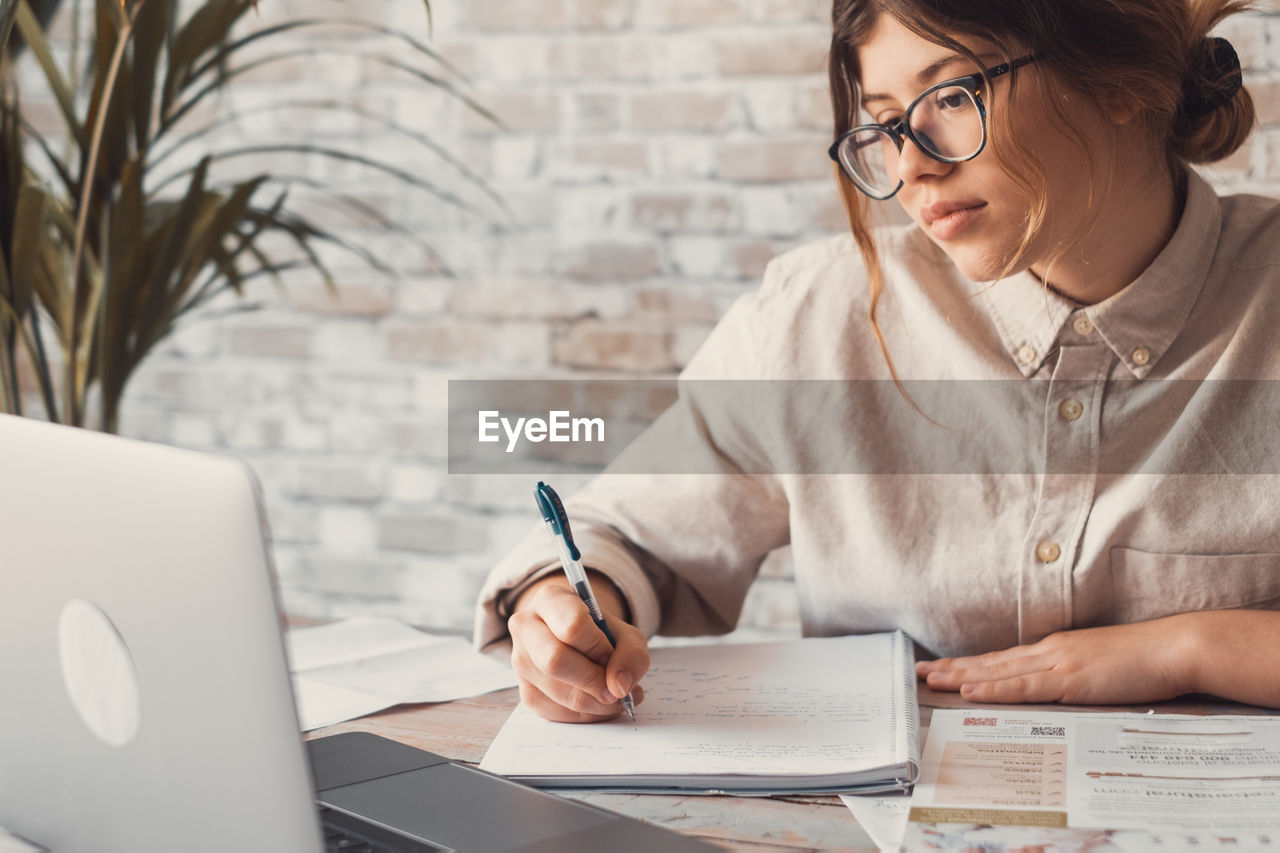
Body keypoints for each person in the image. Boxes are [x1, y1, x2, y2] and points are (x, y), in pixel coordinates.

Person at [474, 0, 1280, 723]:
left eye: (952, 99)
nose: (911, 168)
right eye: (888, 125)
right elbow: (628, 534)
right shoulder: (818, 317)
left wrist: (1191, 646)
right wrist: (564, 606)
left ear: (1118, 80)